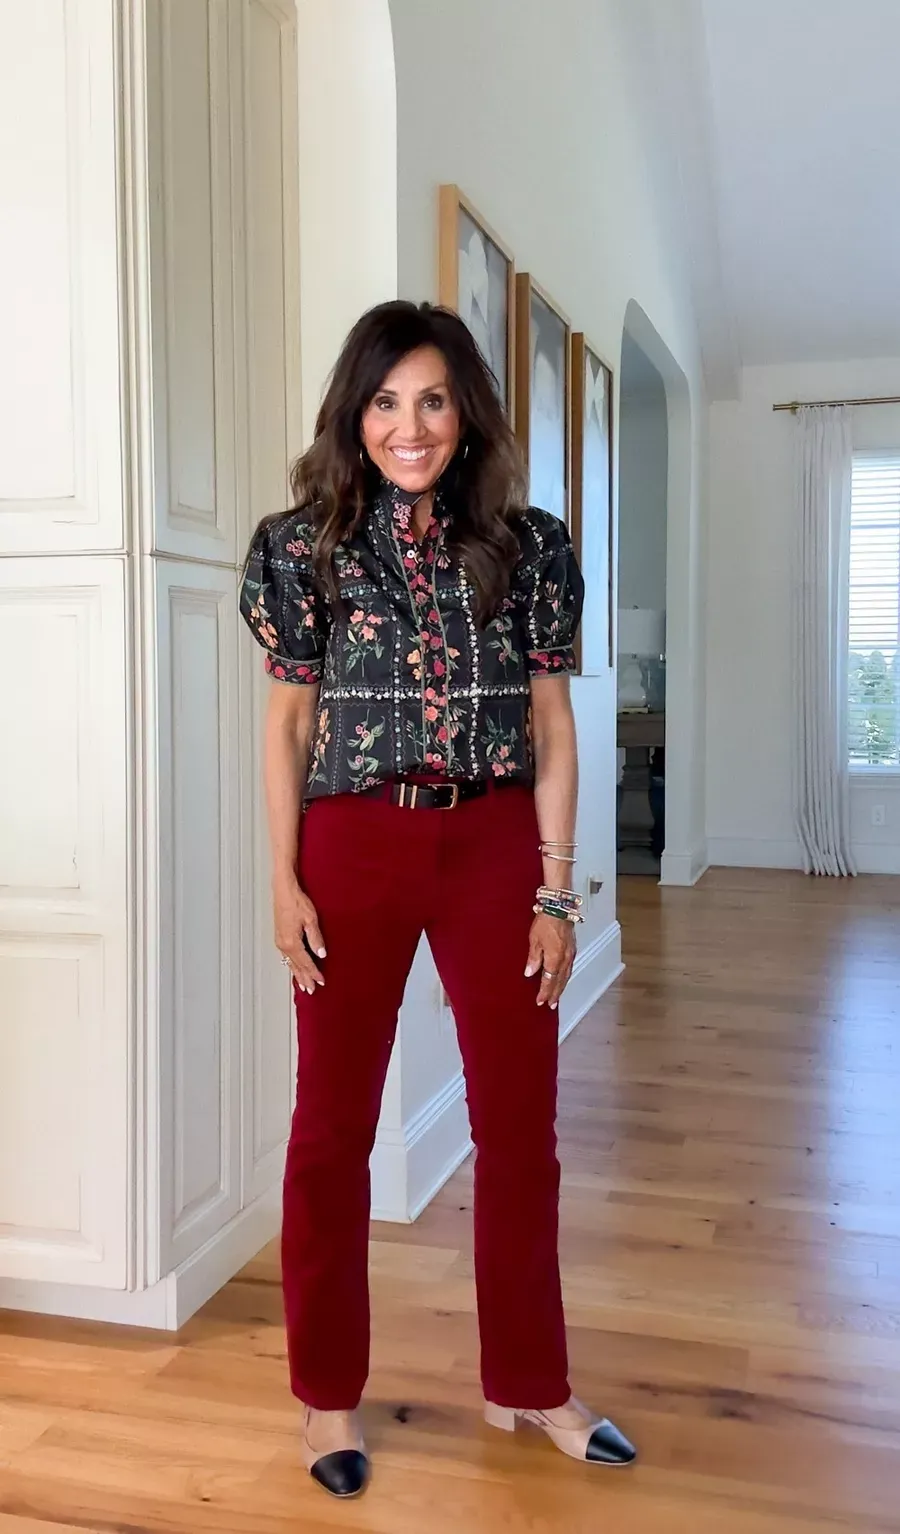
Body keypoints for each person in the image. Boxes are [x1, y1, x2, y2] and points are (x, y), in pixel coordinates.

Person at [239, 300, 636, 1499]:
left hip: (496, 842)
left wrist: (557, 894)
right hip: (352, 843)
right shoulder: (302, 546)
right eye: (383, 401)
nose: (407, 427)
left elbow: (554, 725)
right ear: (353, 415)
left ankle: (531, 1380)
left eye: (431, 400)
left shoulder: (531, 545)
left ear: (466, 414)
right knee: (331, 1130)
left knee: (519, 1125)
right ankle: (326, 1395)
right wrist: (282, 878)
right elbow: (289, 723)